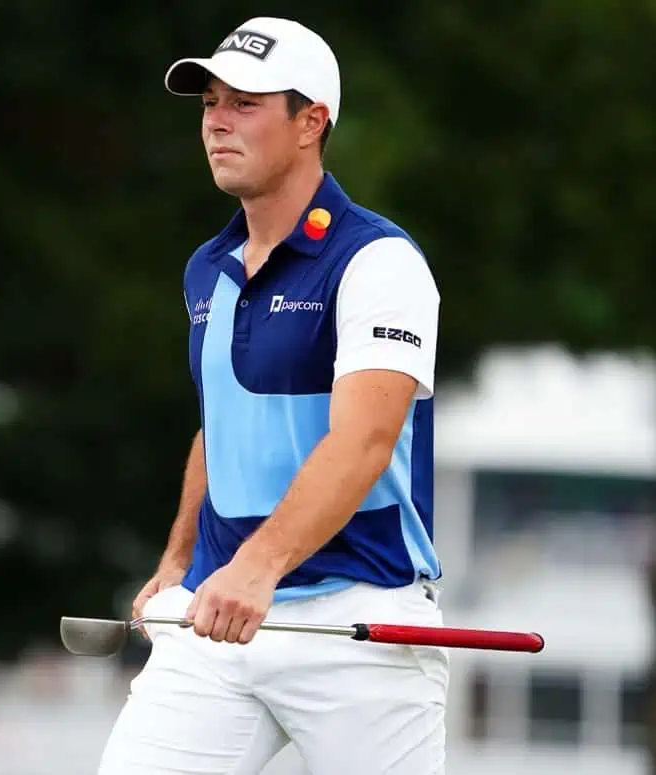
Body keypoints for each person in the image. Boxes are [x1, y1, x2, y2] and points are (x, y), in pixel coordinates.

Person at [97, 16, 447, 775]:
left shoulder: (380, 262)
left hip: (358, 611)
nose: (217, 121)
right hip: (218, 615)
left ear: (311, 123)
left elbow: (363, 441)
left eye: (246, 103)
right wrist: (180, 557)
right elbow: (219, 425)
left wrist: (259, 567)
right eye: (209, 103)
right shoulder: (208, 266)